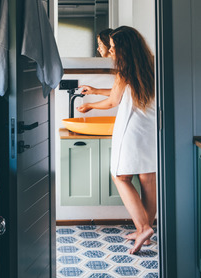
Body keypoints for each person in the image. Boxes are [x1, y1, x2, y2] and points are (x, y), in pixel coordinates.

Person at [77, 26, 157, 254]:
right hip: (152, 127)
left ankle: (142, 228)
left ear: (124, 48)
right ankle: (147, 231)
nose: (111, 51)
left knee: (120, 176)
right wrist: (94, 91)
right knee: (148, 180)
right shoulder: (152, 63)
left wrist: (91, 103)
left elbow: (114, 100)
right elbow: (122, 93)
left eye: (113, 47)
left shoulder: (125, 70)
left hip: (132, 129)